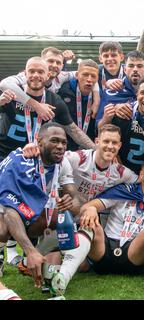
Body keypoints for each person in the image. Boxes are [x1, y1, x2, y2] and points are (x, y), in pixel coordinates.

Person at [52, 159, 144, 299]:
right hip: (104, 251)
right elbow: (86, 207)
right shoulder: (124, 190)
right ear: (141, 175)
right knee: (91, 224)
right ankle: (62, 278)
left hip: (133, 256)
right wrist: (91, 209)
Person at [0, 122, 81, 288]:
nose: (60, 146)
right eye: (54, 141)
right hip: (5, 209)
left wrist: (71, 202)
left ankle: (41, 262)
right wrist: (29, 250)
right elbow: (9, 210)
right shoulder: (21, 160)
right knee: (2, 228)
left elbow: (75, 199)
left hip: (26, 211)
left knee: (64, 215)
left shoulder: (62, 162)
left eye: (63, 142)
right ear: (40, 142)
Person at [0, 57, 95, 161]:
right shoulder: (11, 93)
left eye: (41, 72)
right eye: (32, 71)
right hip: (5, 155)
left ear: (48, 75)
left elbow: (74, 131)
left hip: (36, 158)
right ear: (25, 74)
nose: (36, 75)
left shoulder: (54, 101)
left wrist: (97, 150)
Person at [0, 47, 100, 123]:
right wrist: (37, 106)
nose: (55, 65)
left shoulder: (62, 76)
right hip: (20, 121)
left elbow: (88, 75)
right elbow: (4, 84)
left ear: (62, 65)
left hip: (44, 123)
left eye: (58, 62)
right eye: (50, 61)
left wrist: (96, 100)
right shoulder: (27, 76)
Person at [96, 51, 144, 126]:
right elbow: (98, 128)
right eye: (131, 66)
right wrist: (109, 115)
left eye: (139, 66)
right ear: (125, 69)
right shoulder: (110, 92)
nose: (135, 69)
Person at [57, 59, 99, 151]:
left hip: (88, 149)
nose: (89, 79)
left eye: (93, 76)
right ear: (76, 75)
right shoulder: (62, 91)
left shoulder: (99, 96)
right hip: (64, 147)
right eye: (85, 75)